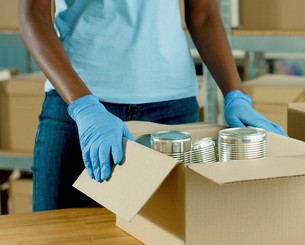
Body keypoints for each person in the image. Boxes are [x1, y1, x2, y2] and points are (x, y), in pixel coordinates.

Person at [18, 0, 286, 212]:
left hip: (172, 112)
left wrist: (235, 94)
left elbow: (203, 13)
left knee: (171, 242)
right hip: (78, 106)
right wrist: (83, 106)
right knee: (56, 240)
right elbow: (34, 15)